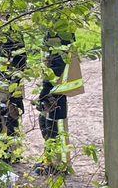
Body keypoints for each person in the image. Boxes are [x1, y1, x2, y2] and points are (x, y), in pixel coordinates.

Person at [34, 31, 84, 176]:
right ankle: (49, 160)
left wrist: (47, 88)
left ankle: (60, 165)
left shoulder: (59, 30)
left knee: (56, 125)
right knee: (46, 122)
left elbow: (57, 63)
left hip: (56, 87)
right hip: (53, 86)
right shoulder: (54, 27)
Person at [0, 14, 26, 163]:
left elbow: (20, 62)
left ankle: (14, 153)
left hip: (10, 87)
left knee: (12, 118)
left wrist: (13, 90)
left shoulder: (14, 35)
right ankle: (0, 150)